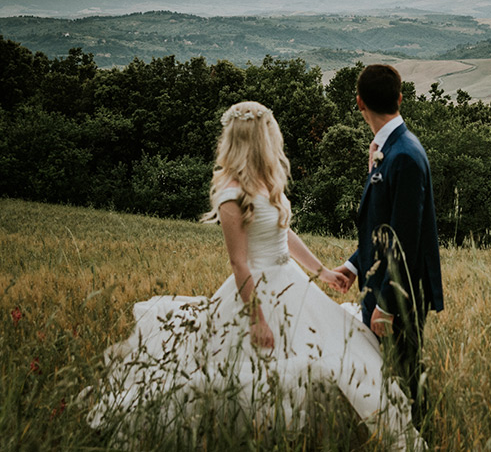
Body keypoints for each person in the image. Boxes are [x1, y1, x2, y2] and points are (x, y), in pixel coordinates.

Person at [87, 101, 423, 451]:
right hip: (256, 292)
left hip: (291, 282)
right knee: (255, 373)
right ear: (255, 138)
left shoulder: (267, 180)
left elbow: (284, 232)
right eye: (268, 132)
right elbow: (239, 263)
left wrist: (322, 271)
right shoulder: (230, 193)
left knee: (335, 353)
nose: (273, 138)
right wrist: (257, 318)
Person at [328, 64, 444, 424]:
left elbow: (404, 239)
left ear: (359, 103)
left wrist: (388, 305)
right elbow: (382, 228)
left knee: (405, 376)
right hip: (378, 284)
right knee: (382, 375)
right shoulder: (385, 149)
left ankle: (418, 437)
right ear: (400, 98)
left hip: (400, 292)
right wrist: (353, 265)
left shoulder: (405, 156)